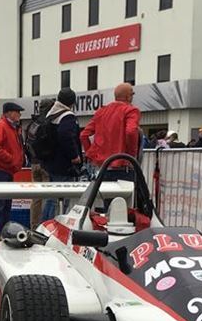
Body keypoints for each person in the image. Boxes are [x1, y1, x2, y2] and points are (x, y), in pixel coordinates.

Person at [80, 83, 139, 181]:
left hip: (102, 167)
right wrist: (131, 156)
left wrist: (90, 154)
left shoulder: (101, 112)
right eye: (132, 95)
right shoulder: (131, 110)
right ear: (128, 97)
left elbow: (84, 135)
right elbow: (131, 131)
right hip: (123, 167)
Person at [41, 87, 82, 220]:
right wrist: (74, 156)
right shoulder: (67, 116)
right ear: (72, 102)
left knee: (51, 198)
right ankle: (56, 225)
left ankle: (45, 224)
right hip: (64, 165)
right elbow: (66, 136)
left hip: (50, 162)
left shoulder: (51, 114)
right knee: (61, 199)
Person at [0, 101, 26, 234]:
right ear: (9, 113)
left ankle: (3, 230)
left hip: (5, 168)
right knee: (1, 202)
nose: (19, 114)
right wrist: (11, 159)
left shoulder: (9, 127)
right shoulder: (3, 126)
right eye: (17, 112)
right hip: (1, 168)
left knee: (6, 202)